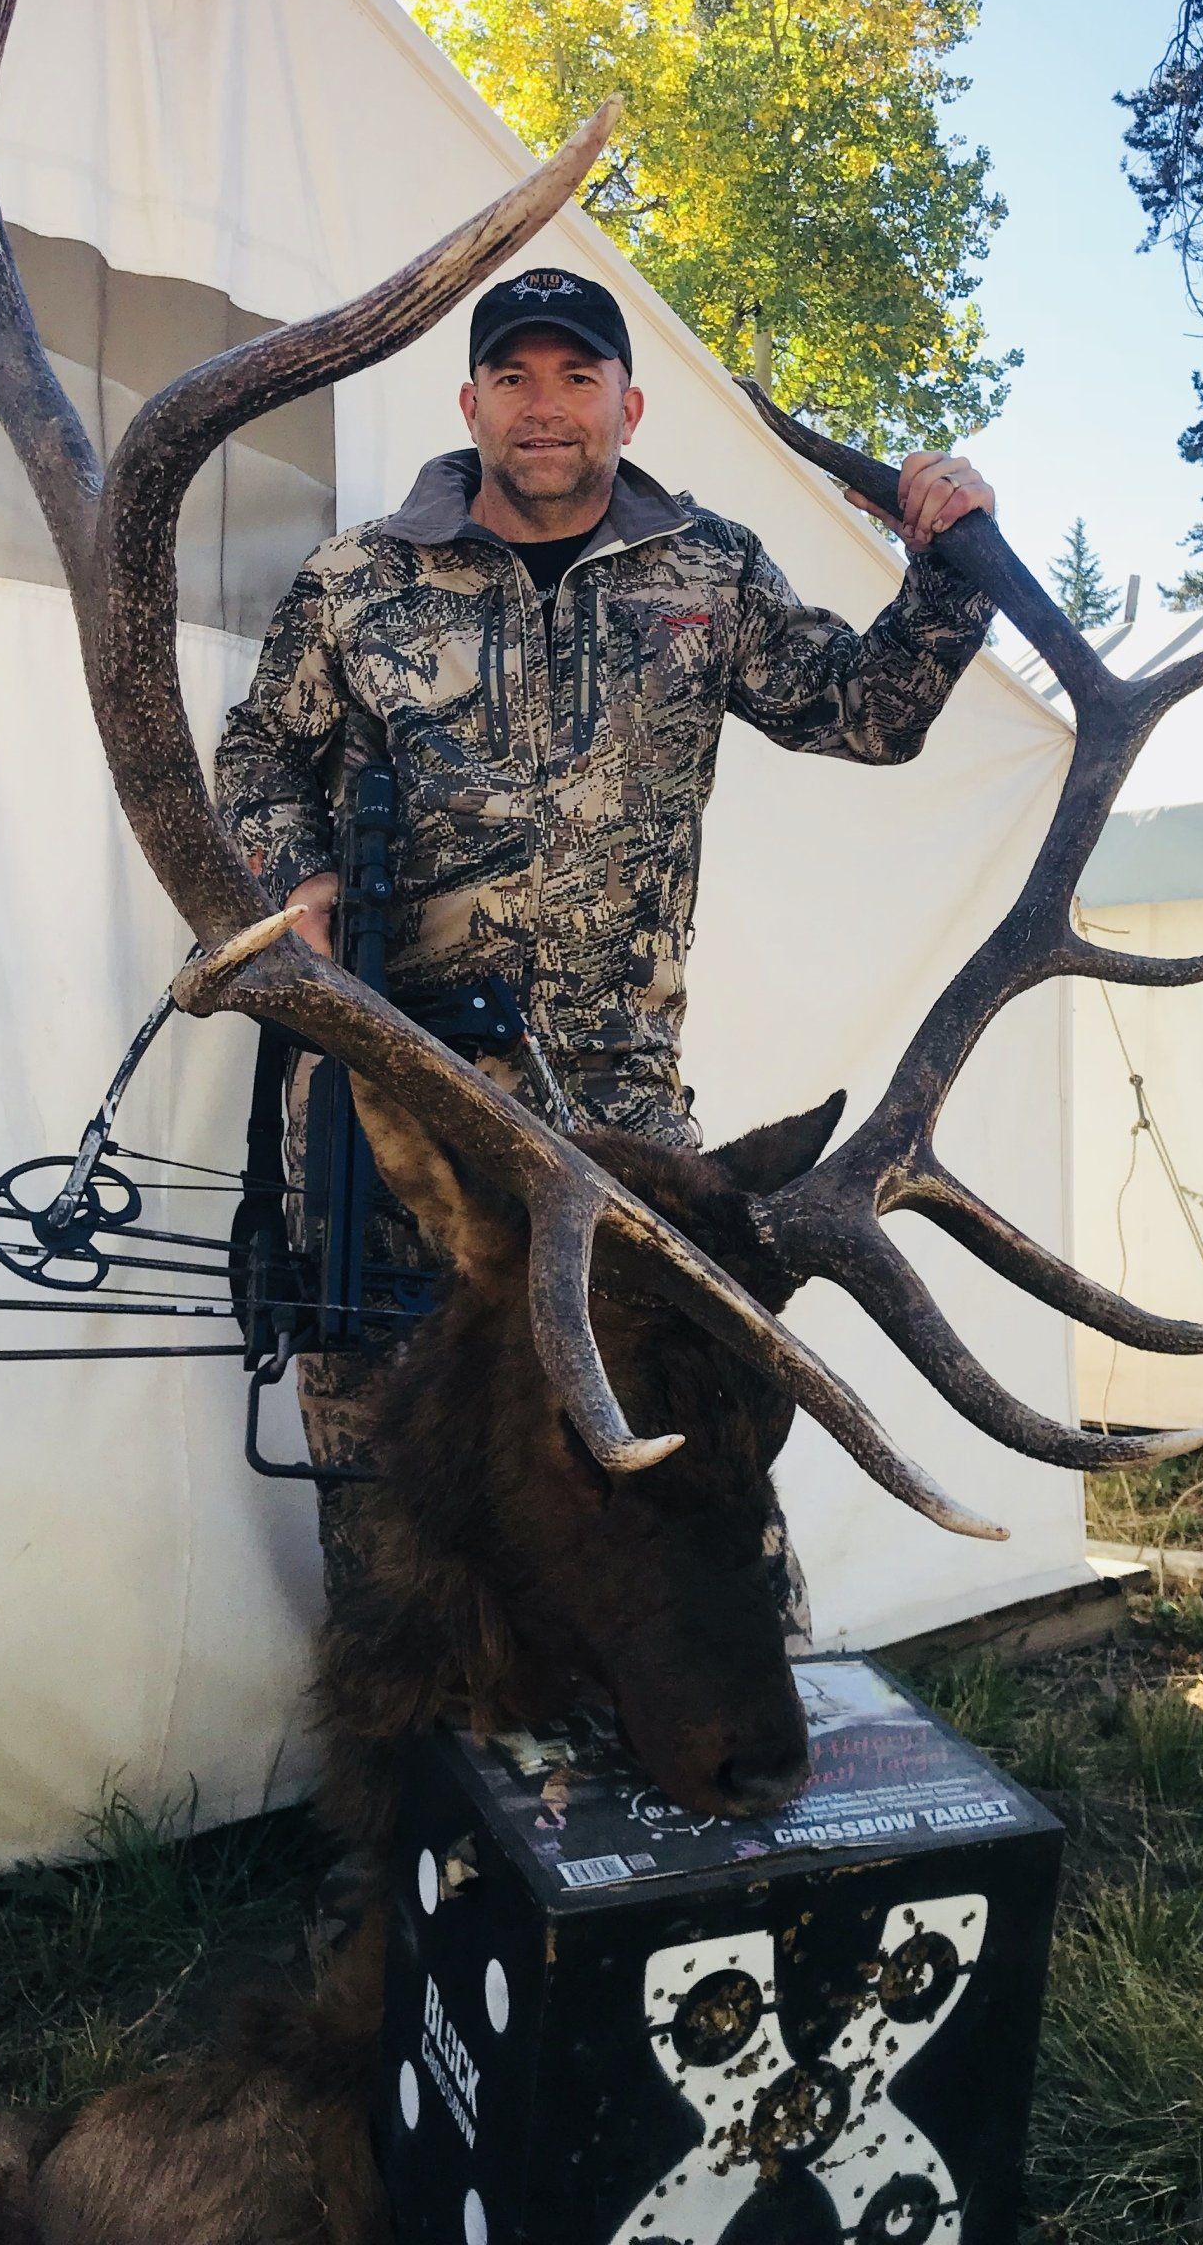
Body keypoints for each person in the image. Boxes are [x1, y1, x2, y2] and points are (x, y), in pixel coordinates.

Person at [213, 265, 997, 1598]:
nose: (545, 409)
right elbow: (257, 751)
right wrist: (296, 878)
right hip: (393, 1112)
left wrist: (945, 573)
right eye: (514, 378)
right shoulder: (360, 579)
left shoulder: (709, 570)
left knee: (679, 1457)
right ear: (469, 402)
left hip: (623, 1116)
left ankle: (689, 1766)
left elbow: (866, 716)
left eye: (577, 378)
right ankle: (424, 1781)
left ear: (628, 406)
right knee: (390, 1477)